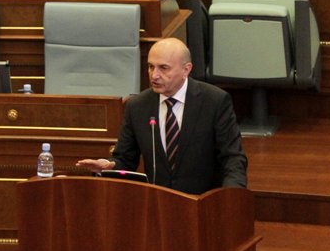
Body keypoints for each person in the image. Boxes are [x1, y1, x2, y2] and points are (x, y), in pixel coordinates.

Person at [76, 38, 248, 194]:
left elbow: (232, 158)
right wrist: (109, 166)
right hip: (157, 206)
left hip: (202, 205)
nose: (155, 75)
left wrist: (231, 197)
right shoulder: (137, 106)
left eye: (163, 68)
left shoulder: (214, 101)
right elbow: (125, 159)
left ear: (186, 70)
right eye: (151, 67)